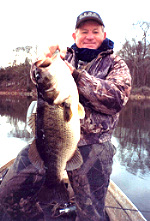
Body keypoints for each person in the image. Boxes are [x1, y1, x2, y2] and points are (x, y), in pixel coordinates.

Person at [0, 11, 131, 221]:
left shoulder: (116, 64)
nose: (90, 36)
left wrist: (78, 76)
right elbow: (39, 79)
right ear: (74, 35)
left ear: (104, 34)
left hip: (94, 145)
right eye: (84, 31)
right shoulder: (63, 57)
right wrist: (40, 63)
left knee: (91, 214)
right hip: (49, 142)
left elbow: (115, 99)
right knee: (9, 194)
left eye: (95, 31)